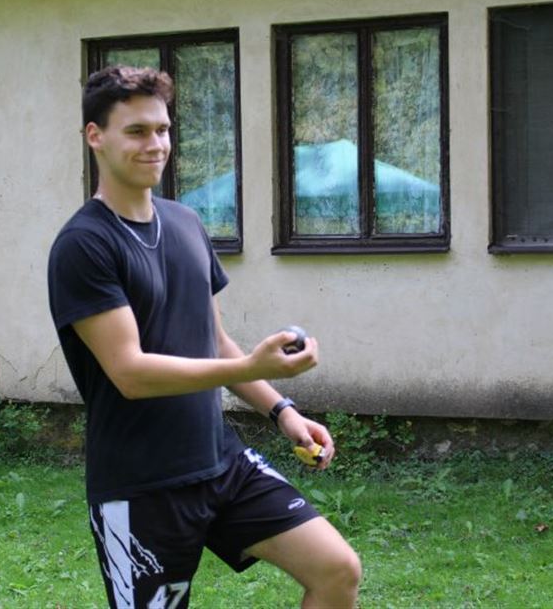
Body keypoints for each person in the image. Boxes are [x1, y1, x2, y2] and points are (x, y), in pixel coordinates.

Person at [48, 65, 361, 608]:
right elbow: (130, 373)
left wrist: (282, 411)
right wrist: (255, 367)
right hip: (141, 487)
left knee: (336, 569)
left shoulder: (185, 223)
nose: (155, 144)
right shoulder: (84, 245)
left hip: (221, 462)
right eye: (137, 131)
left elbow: (213, 339)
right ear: (95, 136)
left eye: (162, 129)